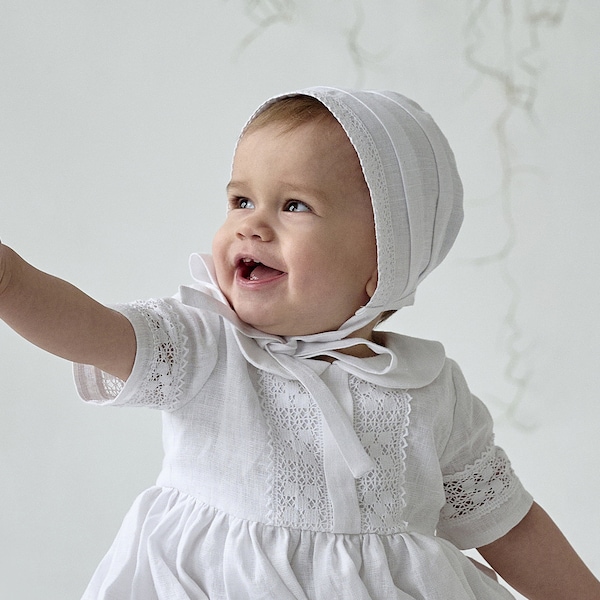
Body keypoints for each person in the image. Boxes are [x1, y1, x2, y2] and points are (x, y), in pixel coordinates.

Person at [0, 87, 598, 600]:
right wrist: (13, 283)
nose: (251, 224)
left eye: (293, 205)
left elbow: (505, 525)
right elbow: (95, 332)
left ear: (384, 262)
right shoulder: (206, 347)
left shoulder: (430, 389)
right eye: (240, 200)